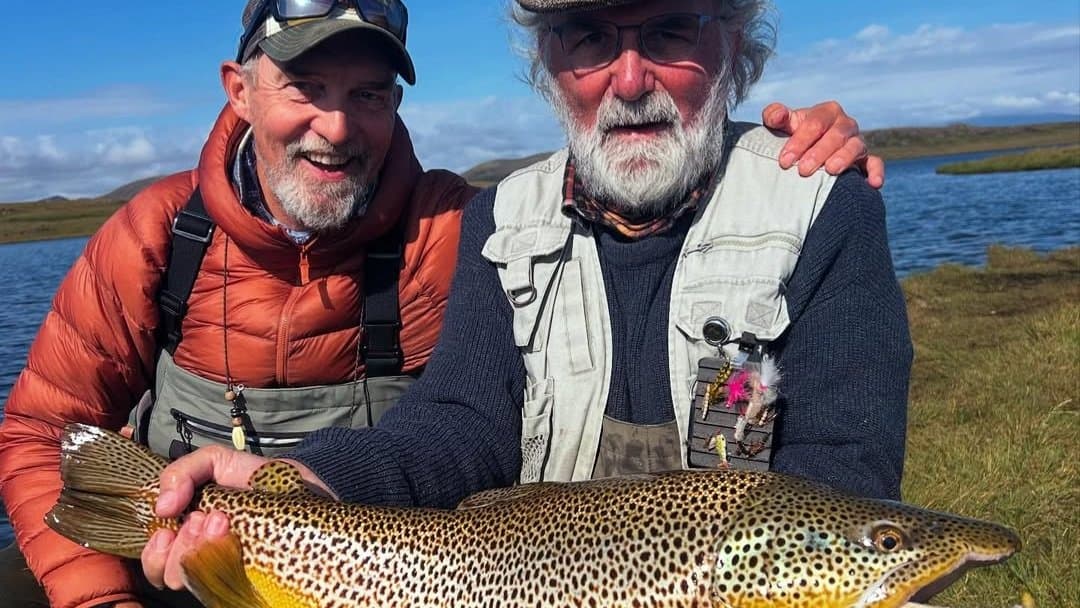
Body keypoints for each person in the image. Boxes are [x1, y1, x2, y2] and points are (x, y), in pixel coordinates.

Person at [0, 0, 884, 606]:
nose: (628, 77)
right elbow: (463, 417)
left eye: (671, 29)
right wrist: (306, 486)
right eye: (586, 35)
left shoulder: (454, 223)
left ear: (735, 43)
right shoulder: (497, 220)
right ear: (548, 63)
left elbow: (845, 469)